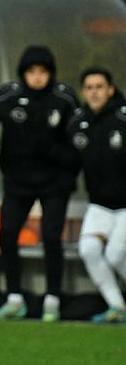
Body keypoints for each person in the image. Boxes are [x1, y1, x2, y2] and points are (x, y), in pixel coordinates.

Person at [0, 45, 79, 322]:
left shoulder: (64, 98)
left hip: (54, 182)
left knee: (51, 237)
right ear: (23, 73)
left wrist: (62, 161)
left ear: (50, 73)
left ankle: (52, 298)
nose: (37, 77)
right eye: (32, 72)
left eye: (43, 72)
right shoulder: (11, 94)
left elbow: (80, 138)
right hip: (18, 181)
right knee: (7, 235)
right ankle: (14, 298)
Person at [67, 67, 126, 323]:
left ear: (110, 90)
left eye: (99, 87)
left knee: (115, 254)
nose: (94, 92)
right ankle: (117, 307)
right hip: (99, 204)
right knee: (89, 250)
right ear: (83, 91)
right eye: (89, 88)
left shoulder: (123, 118)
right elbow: (66, 159)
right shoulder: (77, 123)